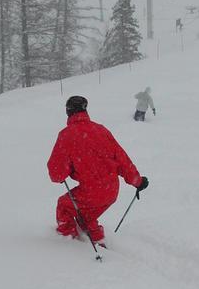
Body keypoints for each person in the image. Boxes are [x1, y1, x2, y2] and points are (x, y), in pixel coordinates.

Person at [47, 95, 148, 247]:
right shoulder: (101, 130)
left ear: (68, 112)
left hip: (90, 191)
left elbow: (56, 174)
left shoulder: (67, 135)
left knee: (64, 206)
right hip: (111, 190)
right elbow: (122, 160)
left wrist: (62, 174)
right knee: (85, 216)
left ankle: (68, 245)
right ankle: (98, 241)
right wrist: (137, 181)